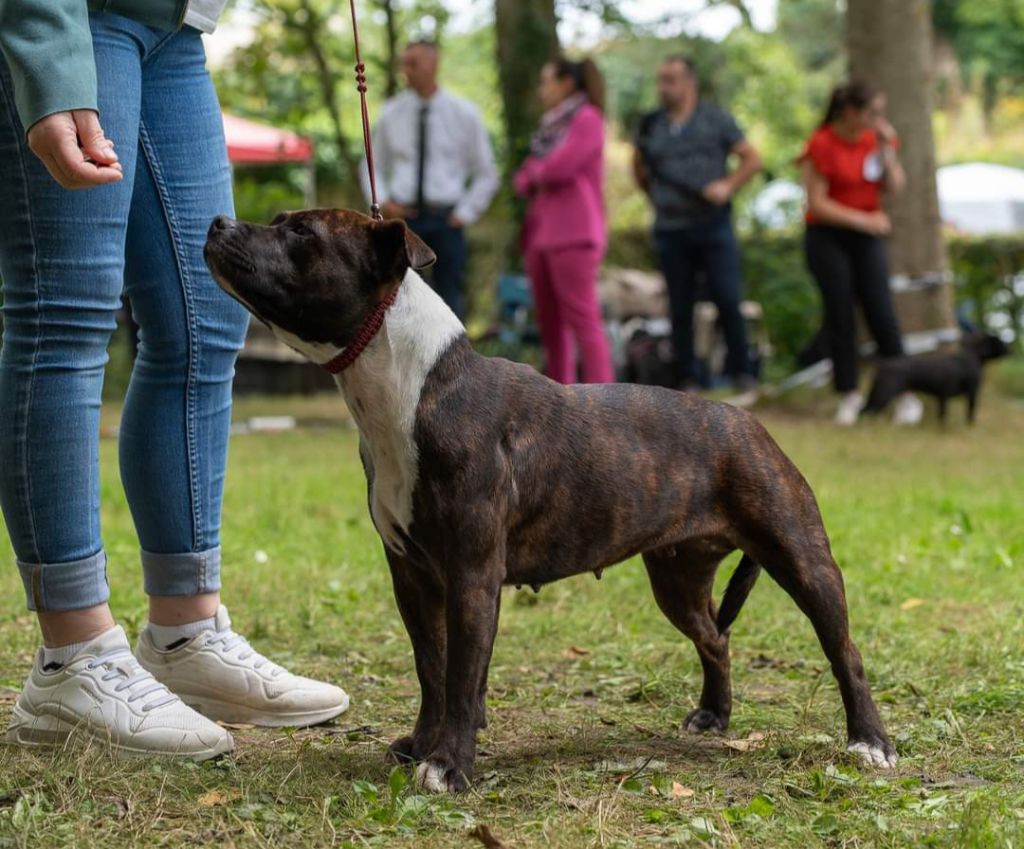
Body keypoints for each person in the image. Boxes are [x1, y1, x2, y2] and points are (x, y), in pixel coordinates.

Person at [0, 2, 350, 758]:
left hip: (174, 26)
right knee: (63, 310)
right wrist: (47, 58)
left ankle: (184, 633)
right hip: (75, 16)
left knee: (207, 319)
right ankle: (72, 655)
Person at [634, 55, 762, 397]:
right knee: (679, 305)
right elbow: (640, 168)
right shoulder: (651, 125)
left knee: (727, 297)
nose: (664, 87)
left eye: (671, 79)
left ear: (690, 83)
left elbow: (752, 157)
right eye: (661, 79)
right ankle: (686, 378)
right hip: (671, 227)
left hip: (712, 224)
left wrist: (728, 185)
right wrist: (659, 199)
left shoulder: (716, 119)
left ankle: (743, 373)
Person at [798, 80, 922, 426]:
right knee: (840, 314)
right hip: (829, 237)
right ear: (850, 112)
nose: (879, 119)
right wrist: (863, 220)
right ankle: (849, 394)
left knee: (881, 311)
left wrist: (887, 151)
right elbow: (817, 203)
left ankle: (904, 391)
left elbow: (895, 187)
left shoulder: (875, 140)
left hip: (867, 237)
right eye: (873, 112)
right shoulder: (822, 144)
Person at [365, 40, 499, 320]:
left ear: (433, 64)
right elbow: (370, 162)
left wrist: (464, 213)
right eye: (405, 64)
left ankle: (454, 364)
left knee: (450, 302)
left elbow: (487, 172)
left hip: (446, 221)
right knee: (400, 302)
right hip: (403, 220)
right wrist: (382, 203)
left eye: (414, 63)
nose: (407, 71)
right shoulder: (392, 112)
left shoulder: (463, 113)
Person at [513, 58, 615, 385]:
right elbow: (521, 180)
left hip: (574, 233)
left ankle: (605, 403)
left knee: (584, 321)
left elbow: (560, 168)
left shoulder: (588, 119)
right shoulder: (549, 127)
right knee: (550, 326)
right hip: (541, 234)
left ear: (567, 83)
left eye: (547, 81)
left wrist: (536, 174)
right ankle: (560, 399)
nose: (541, 90)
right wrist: (535, 174)